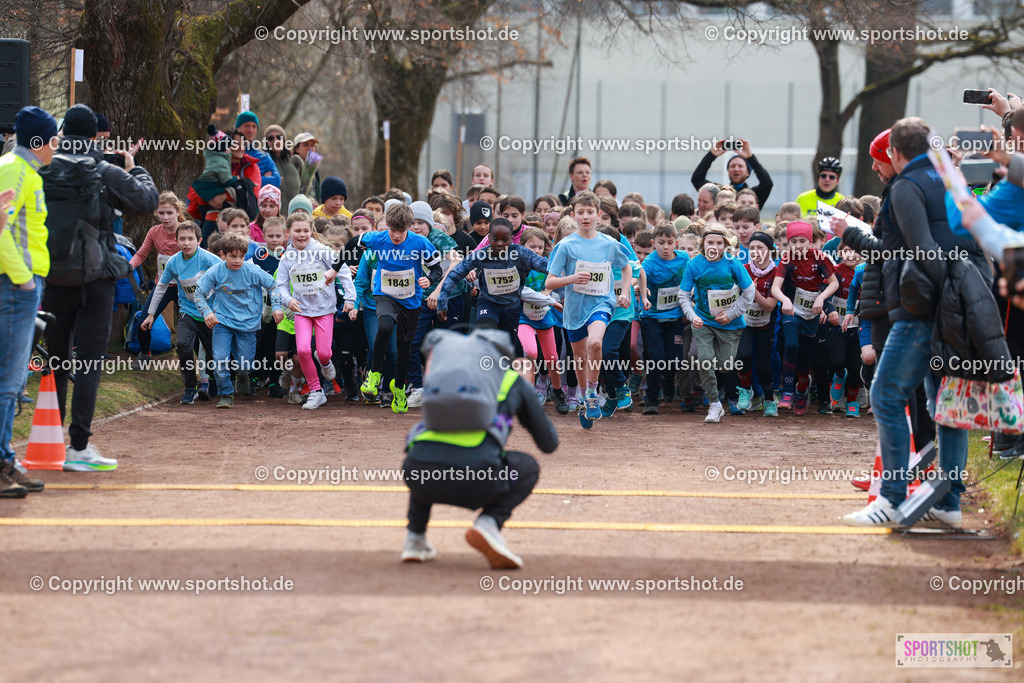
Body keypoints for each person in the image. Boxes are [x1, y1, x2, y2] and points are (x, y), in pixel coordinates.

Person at [843, 117, 987, 528]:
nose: (877, 166)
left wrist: (936, 298)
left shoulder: (905, 186)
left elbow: (920, 250)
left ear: (896, 152)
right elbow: (977, 241)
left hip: (920, 310)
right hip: (959, 310)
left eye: (882, 157)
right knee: (948, 407)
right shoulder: (954, 180)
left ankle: (890, 499)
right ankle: (949, 502)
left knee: (887, 395)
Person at [42, 104, 159, 471]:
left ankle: (48, 444)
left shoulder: (42, 169)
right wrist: (134, 167)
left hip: (51, 277)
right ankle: (79, 448)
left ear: (62, 133)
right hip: (96, 278)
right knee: (90, 361)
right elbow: (148, 200)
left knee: (56, 360)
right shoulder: (105, 171)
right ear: (94, 136)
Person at [400, 328, 558, 568]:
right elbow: (549, 444)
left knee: (429, 449)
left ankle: (415, 538)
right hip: (478, 478)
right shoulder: (510, 380)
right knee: (527, 466)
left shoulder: (441, 376)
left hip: (419, 474)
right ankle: (489, 523)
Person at [0, 106, 57, 496]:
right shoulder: (13, 169)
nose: (56, 146)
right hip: (14, 288)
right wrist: (22, 281)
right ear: (37, 142)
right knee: (7, 381)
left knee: (14, 380)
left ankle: (5, 460)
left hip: (23, 287)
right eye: (52, 139)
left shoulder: (26, 172)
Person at [545, 191, 633, 428]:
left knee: (596, 343)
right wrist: (572, 278)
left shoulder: (609, 244)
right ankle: (584, 397)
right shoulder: (565, 246)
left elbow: (627, 268)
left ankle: (593, 393)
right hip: (574, 309)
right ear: (573, 216)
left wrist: (624, 293)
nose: (586, 216)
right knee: (580, 357)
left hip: (601, 304)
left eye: (590, 212)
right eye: (581, 212)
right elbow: (549, 282)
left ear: (599, 214)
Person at [358, 203, 443, 413]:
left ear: (409, 227)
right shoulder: (377, 238)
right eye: (392, 230)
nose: (396, 236)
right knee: (385, 327)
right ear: (387, 226)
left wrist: (429, 280)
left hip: (410, 299)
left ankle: (398, 388)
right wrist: (335, 268)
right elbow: (355, 242)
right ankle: (374, 374)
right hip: (384, 293)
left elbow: (437, 269)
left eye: (401, 231)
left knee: (405, 345)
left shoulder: (421, 243)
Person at [275, 214, 355, 410]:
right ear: (289, 233)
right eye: (297, 231)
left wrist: (350, 298)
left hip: (324, 309)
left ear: (312, 231)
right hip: (301, 310)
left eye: (306, 230)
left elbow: (342, 270)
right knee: (302, 350)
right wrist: (288, 300)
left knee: (324, 353)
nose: (302, 235)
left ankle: (326, 364)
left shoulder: (322, 251)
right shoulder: (287, 257)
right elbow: (281, 285)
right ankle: (316, 391)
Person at [679, 225, 755, 423]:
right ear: (703, 244)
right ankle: (714, 404)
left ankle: (725, 391)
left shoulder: (733, 263)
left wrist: (731, 314)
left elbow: (749, 292)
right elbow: (684, 295)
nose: (714, 246)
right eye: (710, 242)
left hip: (730, 324)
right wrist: (691, 314)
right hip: (704, 321)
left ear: (725, 245)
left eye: (719, 243)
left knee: (725, 366)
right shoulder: (694, 265)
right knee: (703, 359)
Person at [193, 232, 277, 409]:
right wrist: (207, 312)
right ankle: (226, 394)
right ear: (223, 255)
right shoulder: (215, 272)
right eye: (233, 256)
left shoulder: (253, 271)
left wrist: (276, 307)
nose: (237, 260)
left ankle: (243, 374)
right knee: (219, 360)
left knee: (245, 363)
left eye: (241, 256)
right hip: (223, 322)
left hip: (248, 324)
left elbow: (273, 285)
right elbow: (199, 293)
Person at [141, 221, 221, 403]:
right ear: (177, 241)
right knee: (183, 346)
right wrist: (151, 314)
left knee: (212, 352)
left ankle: (214, 380)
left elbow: (224, 277)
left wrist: (220, 307)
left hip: (210, 314)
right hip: (188, 312)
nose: (186, 243)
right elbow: (161, 287)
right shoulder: (174, 262)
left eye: (190, 239)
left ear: (199, 241)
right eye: (182, 239)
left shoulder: (208, 259)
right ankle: (190, 386)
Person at [769, 221, 838, 415]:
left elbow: (834, 283)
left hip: (812, 313)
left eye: (802, 241)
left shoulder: (820, 257)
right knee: (791, 345)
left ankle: (801, 389)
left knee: (806, 355)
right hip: (792, 310)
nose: (798, 245)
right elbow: (775, 287)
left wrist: (822, 297)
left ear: (810, 241)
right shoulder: (786, 259)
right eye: (794, 241)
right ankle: (788, 390)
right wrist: (785, 300)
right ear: (788, 243)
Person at [130, 191, 186, 368]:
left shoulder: (187, 230)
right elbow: (141, 254)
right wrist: (127, 266)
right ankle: (145, 354)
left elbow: (198, 256)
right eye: (161, 213)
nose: (165, 217)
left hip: (185, 288)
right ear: (156, 213)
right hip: (162, 286)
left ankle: (204, 361)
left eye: (169, 213)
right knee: (144, 321)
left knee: (194, 325)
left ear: (177, 211)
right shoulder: (155, 232)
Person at [736, 231, 779, 416]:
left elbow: (769, 306)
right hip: (745, 323)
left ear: (770, 250)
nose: (755, 251)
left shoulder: (777, 273)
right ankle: (746, 390)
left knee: (763, 365)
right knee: (743, 355)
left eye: (760, 248)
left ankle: (769, 400)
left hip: (765, 326)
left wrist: (752, 291)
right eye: (752, 248)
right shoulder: (743, 269)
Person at [691, 139, 774, 207]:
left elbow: (767, 184)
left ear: (748, 172)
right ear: (728, 171)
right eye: (732, 166)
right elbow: (697, 179)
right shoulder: (720, 192)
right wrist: (711, 155)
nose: (736, 169)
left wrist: (750, 157)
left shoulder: (753, 195)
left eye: (740, 166)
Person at [234, 111, 280, 188]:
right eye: (246, 126)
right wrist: (262, 178)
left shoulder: (264, 156)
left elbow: (276, 181)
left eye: (254, 126)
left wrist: (246, 181)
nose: (251, 130)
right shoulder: (231, 153)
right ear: (238, 129)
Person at [264, 124, 299, 209]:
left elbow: (306, 188)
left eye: (279, 137)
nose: (275, 140)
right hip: (275, 219)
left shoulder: (296, 161)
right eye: (271, 138)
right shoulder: (263, 163)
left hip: (296, 217)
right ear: (266, 143)